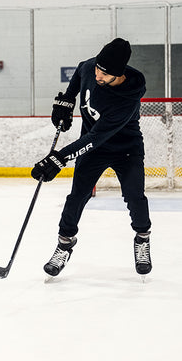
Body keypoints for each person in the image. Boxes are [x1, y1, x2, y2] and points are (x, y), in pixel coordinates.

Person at [31, 37, 152, 277]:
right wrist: (67, 100)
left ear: (119, 75)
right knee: (77, 196)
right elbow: (80, 71)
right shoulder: (90, 67)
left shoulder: (128, 98)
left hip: (125, 149)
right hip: (94, 150)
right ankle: (64, 244)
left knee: (134, 196)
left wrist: (59, 158)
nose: (97, 75)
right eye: (98, 68)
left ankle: (142, 238)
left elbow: (96, 136)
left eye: (105, 74)